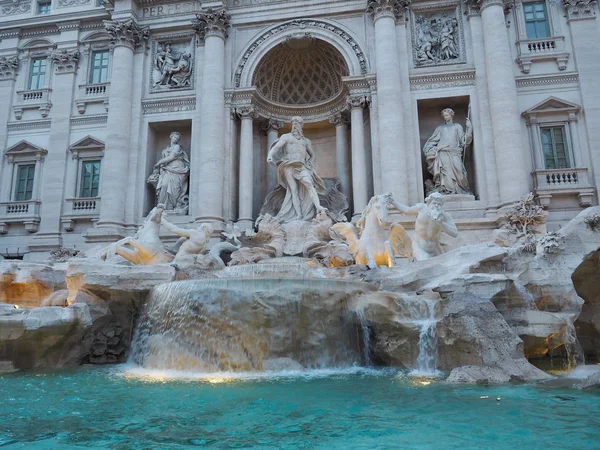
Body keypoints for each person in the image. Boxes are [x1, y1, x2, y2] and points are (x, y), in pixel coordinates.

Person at [266, 116, 327, 222]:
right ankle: (298, 215)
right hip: (288, 164)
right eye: (293, 123)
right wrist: (270, 155)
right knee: (293, 190)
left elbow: (312, 155)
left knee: (309, 184)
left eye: (298, 123)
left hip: (301, 166)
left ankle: (318, 206)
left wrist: (310, 163)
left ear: (301, 125)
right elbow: (276, 147)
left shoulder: (306, 141)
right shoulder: (286, 137)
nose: (295, 125)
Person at [391, 193, 458, 261]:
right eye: (434, 203)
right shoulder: (421, 208)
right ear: (429, 203)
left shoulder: (444, 216)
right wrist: (393, 201)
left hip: (435, 248)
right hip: (419, 246)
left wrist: (441, 223)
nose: (436, 206)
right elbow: (406, 210)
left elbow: (454, 233)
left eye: (439, 204)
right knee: (425, 261)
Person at [423, 108, 472, 195]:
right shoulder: (440, 128)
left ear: (451, 115)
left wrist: (469, 128)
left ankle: (462, 189)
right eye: (444, 116)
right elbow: (432, 141)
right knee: (445, 172)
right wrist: (430, 150)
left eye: (447, 115)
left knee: (459, 171)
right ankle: (447, 190)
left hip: (455, 152)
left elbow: (464, 142)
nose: (445, 117)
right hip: (442, 153)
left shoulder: (457, 127)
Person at [149, 132, 190, 211]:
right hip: (167, 169)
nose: (175, 139)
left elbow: (171, 157)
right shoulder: (165, 150)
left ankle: (171, 207)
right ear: (171, 137)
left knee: (175, 188)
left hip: (177, 168)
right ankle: (162, 207)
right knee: (164, 185)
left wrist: (158, 163)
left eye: (177, 139)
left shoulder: (177, 147)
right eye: (174, 137)